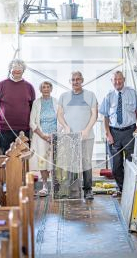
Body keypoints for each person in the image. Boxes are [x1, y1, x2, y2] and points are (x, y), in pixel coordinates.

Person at [99, 70, 137, 197]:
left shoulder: (132, 93)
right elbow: (105, 117)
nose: (117, 81)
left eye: (120, 79)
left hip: (130, 132)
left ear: (123, 79)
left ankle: (131, 190)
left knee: (131, 164)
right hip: (114, 133)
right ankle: (122, 189)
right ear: (112, 81)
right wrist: (108, 134)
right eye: (115, 79)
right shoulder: (108, 96)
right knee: (116, 165)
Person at [57, 71, 98, 200]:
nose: (75, 82)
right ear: (70, 81)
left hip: (87, 135)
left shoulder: (90, 95)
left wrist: (86, 130)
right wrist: (66, 127)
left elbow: (94, 115)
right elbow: (59, 115)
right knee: (70, 162)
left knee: (86, 162)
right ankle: (69, 189)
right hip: (70, 136)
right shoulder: (63, 96)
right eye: (73, 79)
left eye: (78, 79)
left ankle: (88, 190)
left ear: (82, 80)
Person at [0, 59, 36, 154]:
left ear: (23, 70)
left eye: (20, 68)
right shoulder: (1, 85)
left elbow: (33, 108)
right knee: (7, 155)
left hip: (24, 129)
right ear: (9, 69)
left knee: (23, 156)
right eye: (14, 68)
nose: (17, 70)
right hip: (5, 129)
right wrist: (2, 117)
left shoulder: (29, 87)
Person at [29, 80, 58, 196]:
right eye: (43, 87)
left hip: (54, 136)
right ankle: (45, 186)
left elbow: (61, 119)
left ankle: (55, 186)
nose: (46, 89)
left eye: (48, 87)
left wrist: (54, 134)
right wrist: (43, 136)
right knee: (43, 161)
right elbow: (32, 122)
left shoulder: (56, 102)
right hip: (41, 137)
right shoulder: (36, 103)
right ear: (40, 90)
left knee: (54, 161)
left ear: (51, 89)